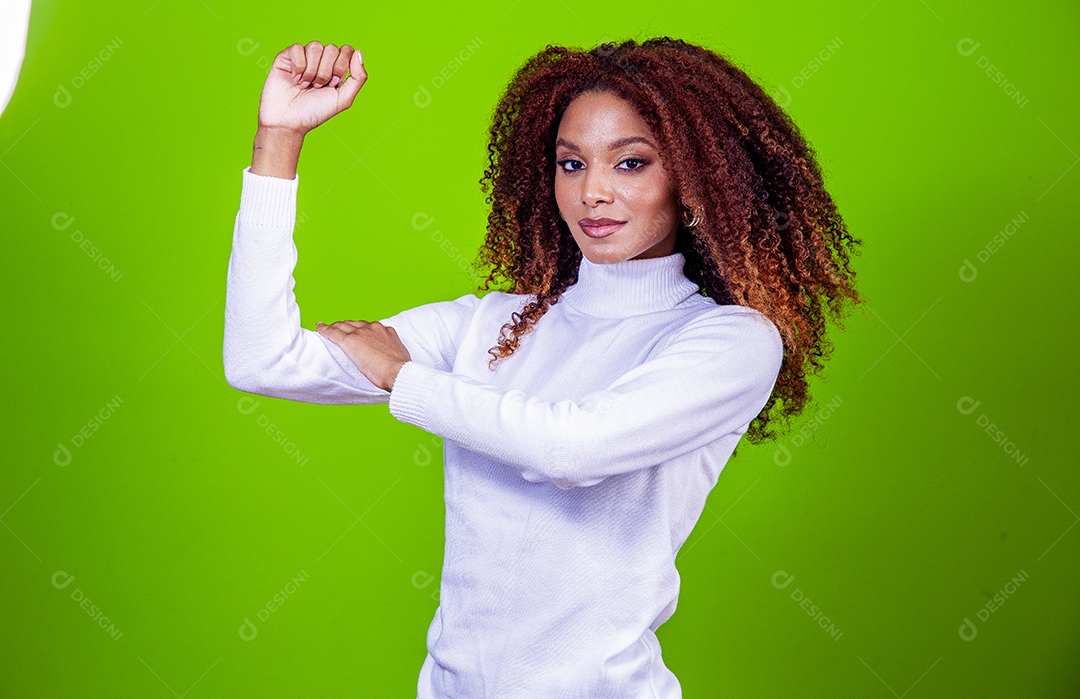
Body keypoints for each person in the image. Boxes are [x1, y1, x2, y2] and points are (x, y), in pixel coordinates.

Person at [224, 37, 863, 698]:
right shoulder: (493, 324)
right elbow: (261, 361)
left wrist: (400, 378)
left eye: (632, 162)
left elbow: (571, 447)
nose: (594, 192)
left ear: (695, 179)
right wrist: (279, 141)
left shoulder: (727, 342)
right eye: (571, 162)